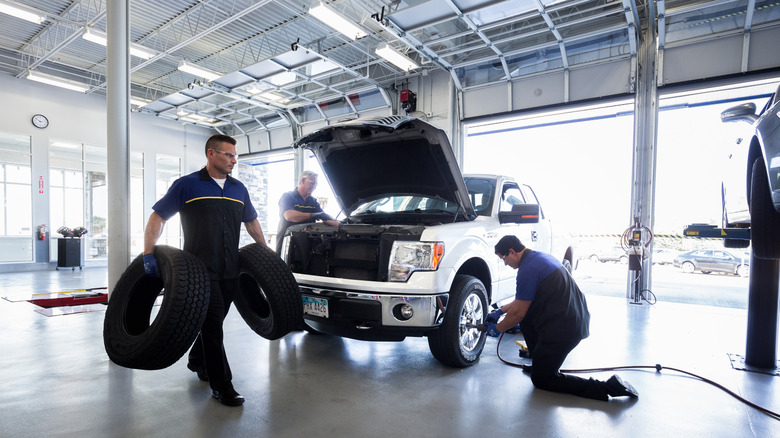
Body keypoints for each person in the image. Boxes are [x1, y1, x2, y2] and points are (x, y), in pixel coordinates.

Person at [142, 134, 266, 407]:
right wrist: (149, 252)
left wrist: (266, 254)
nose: (234, 160)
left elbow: (252, 223)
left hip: (231, 270)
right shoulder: (187, 185)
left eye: (236, 156)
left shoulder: (239, 189)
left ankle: (197, 360)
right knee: (213, 327)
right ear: (211, 154)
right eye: (229, 155)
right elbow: (158, 216)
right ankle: (222, 385)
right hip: (199, 272)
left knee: (215, 322)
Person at [485, 235, 639, 401]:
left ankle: (608, 387)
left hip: (564, 329)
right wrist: (500, 311)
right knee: (527, 320)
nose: (505, 264)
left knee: (542, 380)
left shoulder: (527, 270)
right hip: (574, 318)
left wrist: (498, 329)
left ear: (512, 252)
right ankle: (541, 364)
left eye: (504, 259)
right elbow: (523, 298)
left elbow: (517, 313)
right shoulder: (538, 259)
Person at [275, 170, 339, 254]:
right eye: (313, 183)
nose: (315, 187)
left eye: (316, 184)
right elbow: (289, 216)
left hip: (305, 245)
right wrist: (312, 215)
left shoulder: (312, 201)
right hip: (287, 243)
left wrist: (341, 224)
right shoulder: (288, 197)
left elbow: (324, 217)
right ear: (303, 180)